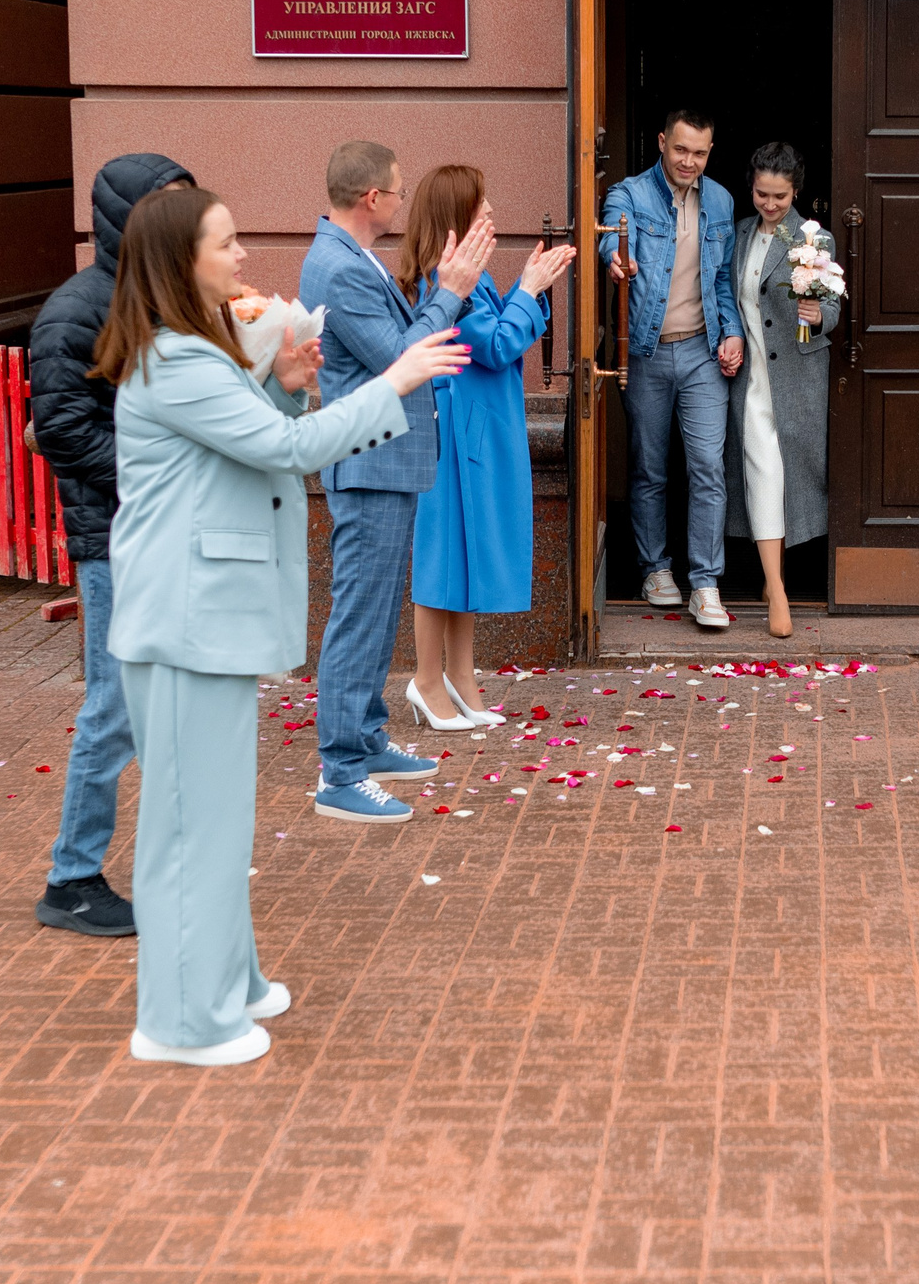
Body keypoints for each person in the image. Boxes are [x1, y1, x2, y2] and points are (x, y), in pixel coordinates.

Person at [99, 186, 467, 1065]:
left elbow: (259, 436)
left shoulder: (196, 348)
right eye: (225, 243)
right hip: (184, 621)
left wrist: (287, 385)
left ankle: (228, 979)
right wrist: (396, 381)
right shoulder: (177, 359)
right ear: (179, 262)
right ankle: (183, 1023)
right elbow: (286, 452)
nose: (241, 258)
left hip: (202, 619)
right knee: (192, 828)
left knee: (218, 820)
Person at [298, 141, 496, 819]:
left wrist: (445, 293)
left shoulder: (351, 256)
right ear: (371, 198)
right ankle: (341, 773)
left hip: (384, 461)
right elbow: (403, 358)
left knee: (377, 613)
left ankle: (366, 738)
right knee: (360, 617)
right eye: (398, 191)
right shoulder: (339, 266)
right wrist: (451, 291)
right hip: (369, 463)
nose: (403, 202)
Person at [25, 151, 193, 937]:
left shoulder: (170, 299)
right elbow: (61, 429)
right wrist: (156, 473)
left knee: (165, 705)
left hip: (168, 531)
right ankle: (72, 877)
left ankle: (169, 860)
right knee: (115, 707)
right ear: (126, 217)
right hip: (116, 537)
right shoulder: (77, 308)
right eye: (167, 205)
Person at [399, 165, 574, 727]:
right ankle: (427, 679)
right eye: (481, 203)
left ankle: (459, 674)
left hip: (471, 427)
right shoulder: (444, 280)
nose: (491, 210)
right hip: (454, 433)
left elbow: (500, 337)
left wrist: (526, 290)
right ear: (457, 215)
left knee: (463, 553)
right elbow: (496, 346)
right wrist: (530, 289)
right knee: (442, 554)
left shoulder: (467, 277)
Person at [601, 108, 742, 630]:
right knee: (650, 466)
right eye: (681, 149)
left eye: (699, 153)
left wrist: (732, 331)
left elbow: (722, 279)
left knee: (707, 465)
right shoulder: (630, 194)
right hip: (647, 351)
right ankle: (655, 569)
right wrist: (617, 258)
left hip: (703, 351)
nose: (689, 161)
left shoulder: (721, 200)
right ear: (662, 141)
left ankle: (705, 584)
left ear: (710, 152)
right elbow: (613, 236)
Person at [724, 143, 840, 639]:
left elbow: (832, 307)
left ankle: (777, 581)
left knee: (790, 478)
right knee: (763, 476)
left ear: (795, 192)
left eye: (779, 196)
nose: (769, 204)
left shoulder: (813, 238)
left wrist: (818, 315)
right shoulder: (738, 234)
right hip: (750, 381)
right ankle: (777, 588)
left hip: (797, 379)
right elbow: (726, 297)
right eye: (761, 194)